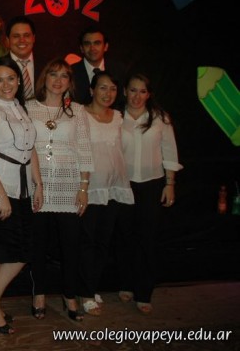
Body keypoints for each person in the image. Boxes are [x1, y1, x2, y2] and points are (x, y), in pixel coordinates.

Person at [0, 57, 43, 334]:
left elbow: (30, 148)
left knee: (23, 251)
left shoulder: (20, 108)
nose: (6, 84)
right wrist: (1, 196)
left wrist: (38, 183)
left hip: (22, 189)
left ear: (19, 81)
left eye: (10, 78)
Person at [26, 58, 92, 322]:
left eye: (64, 76)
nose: (58, 80)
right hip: (38, 185)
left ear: (69, 82)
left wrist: (84, 188)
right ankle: (39, 293)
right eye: (53, 74)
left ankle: (70, 294)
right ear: (45, 77)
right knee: (38, 244)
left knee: (71, 245)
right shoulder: (29, 107)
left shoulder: (78, 111)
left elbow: (84, 151)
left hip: (68, 186)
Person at [120, 73, 182, 314]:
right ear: (124, 91)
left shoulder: (160, 118)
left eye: (142, 91)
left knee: (147, 239)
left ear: (149, 94)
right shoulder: (115, 117)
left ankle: (144, 292)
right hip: (123, 185)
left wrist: (170, 184)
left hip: (152, 185)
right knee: (124, 237)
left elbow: (170, 151)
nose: (137, 96)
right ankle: (126, 283)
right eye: (133, 90)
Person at [77, 71, 134, 316]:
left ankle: (91, 286)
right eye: (102, 87)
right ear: (92, 90)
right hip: (88, 189)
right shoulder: (80, 114)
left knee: (103, 242)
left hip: (113, 189)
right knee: (86, 242)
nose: (107, 93)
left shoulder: (119, 117)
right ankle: (85, 293)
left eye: (112, 89)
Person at [0, 15, 38, 101]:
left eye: (26, 35)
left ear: (33, 38)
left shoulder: (48, 65)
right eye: (16, 36)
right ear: (7, 40)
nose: (22, 40)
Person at [70, 25, 125, 105]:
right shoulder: (71, 73)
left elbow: (122, 102)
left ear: (105, 46)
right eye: (87, 44)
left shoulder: (119, 70)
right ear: (81, 48)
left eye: (97, 43)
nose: (92, 48)